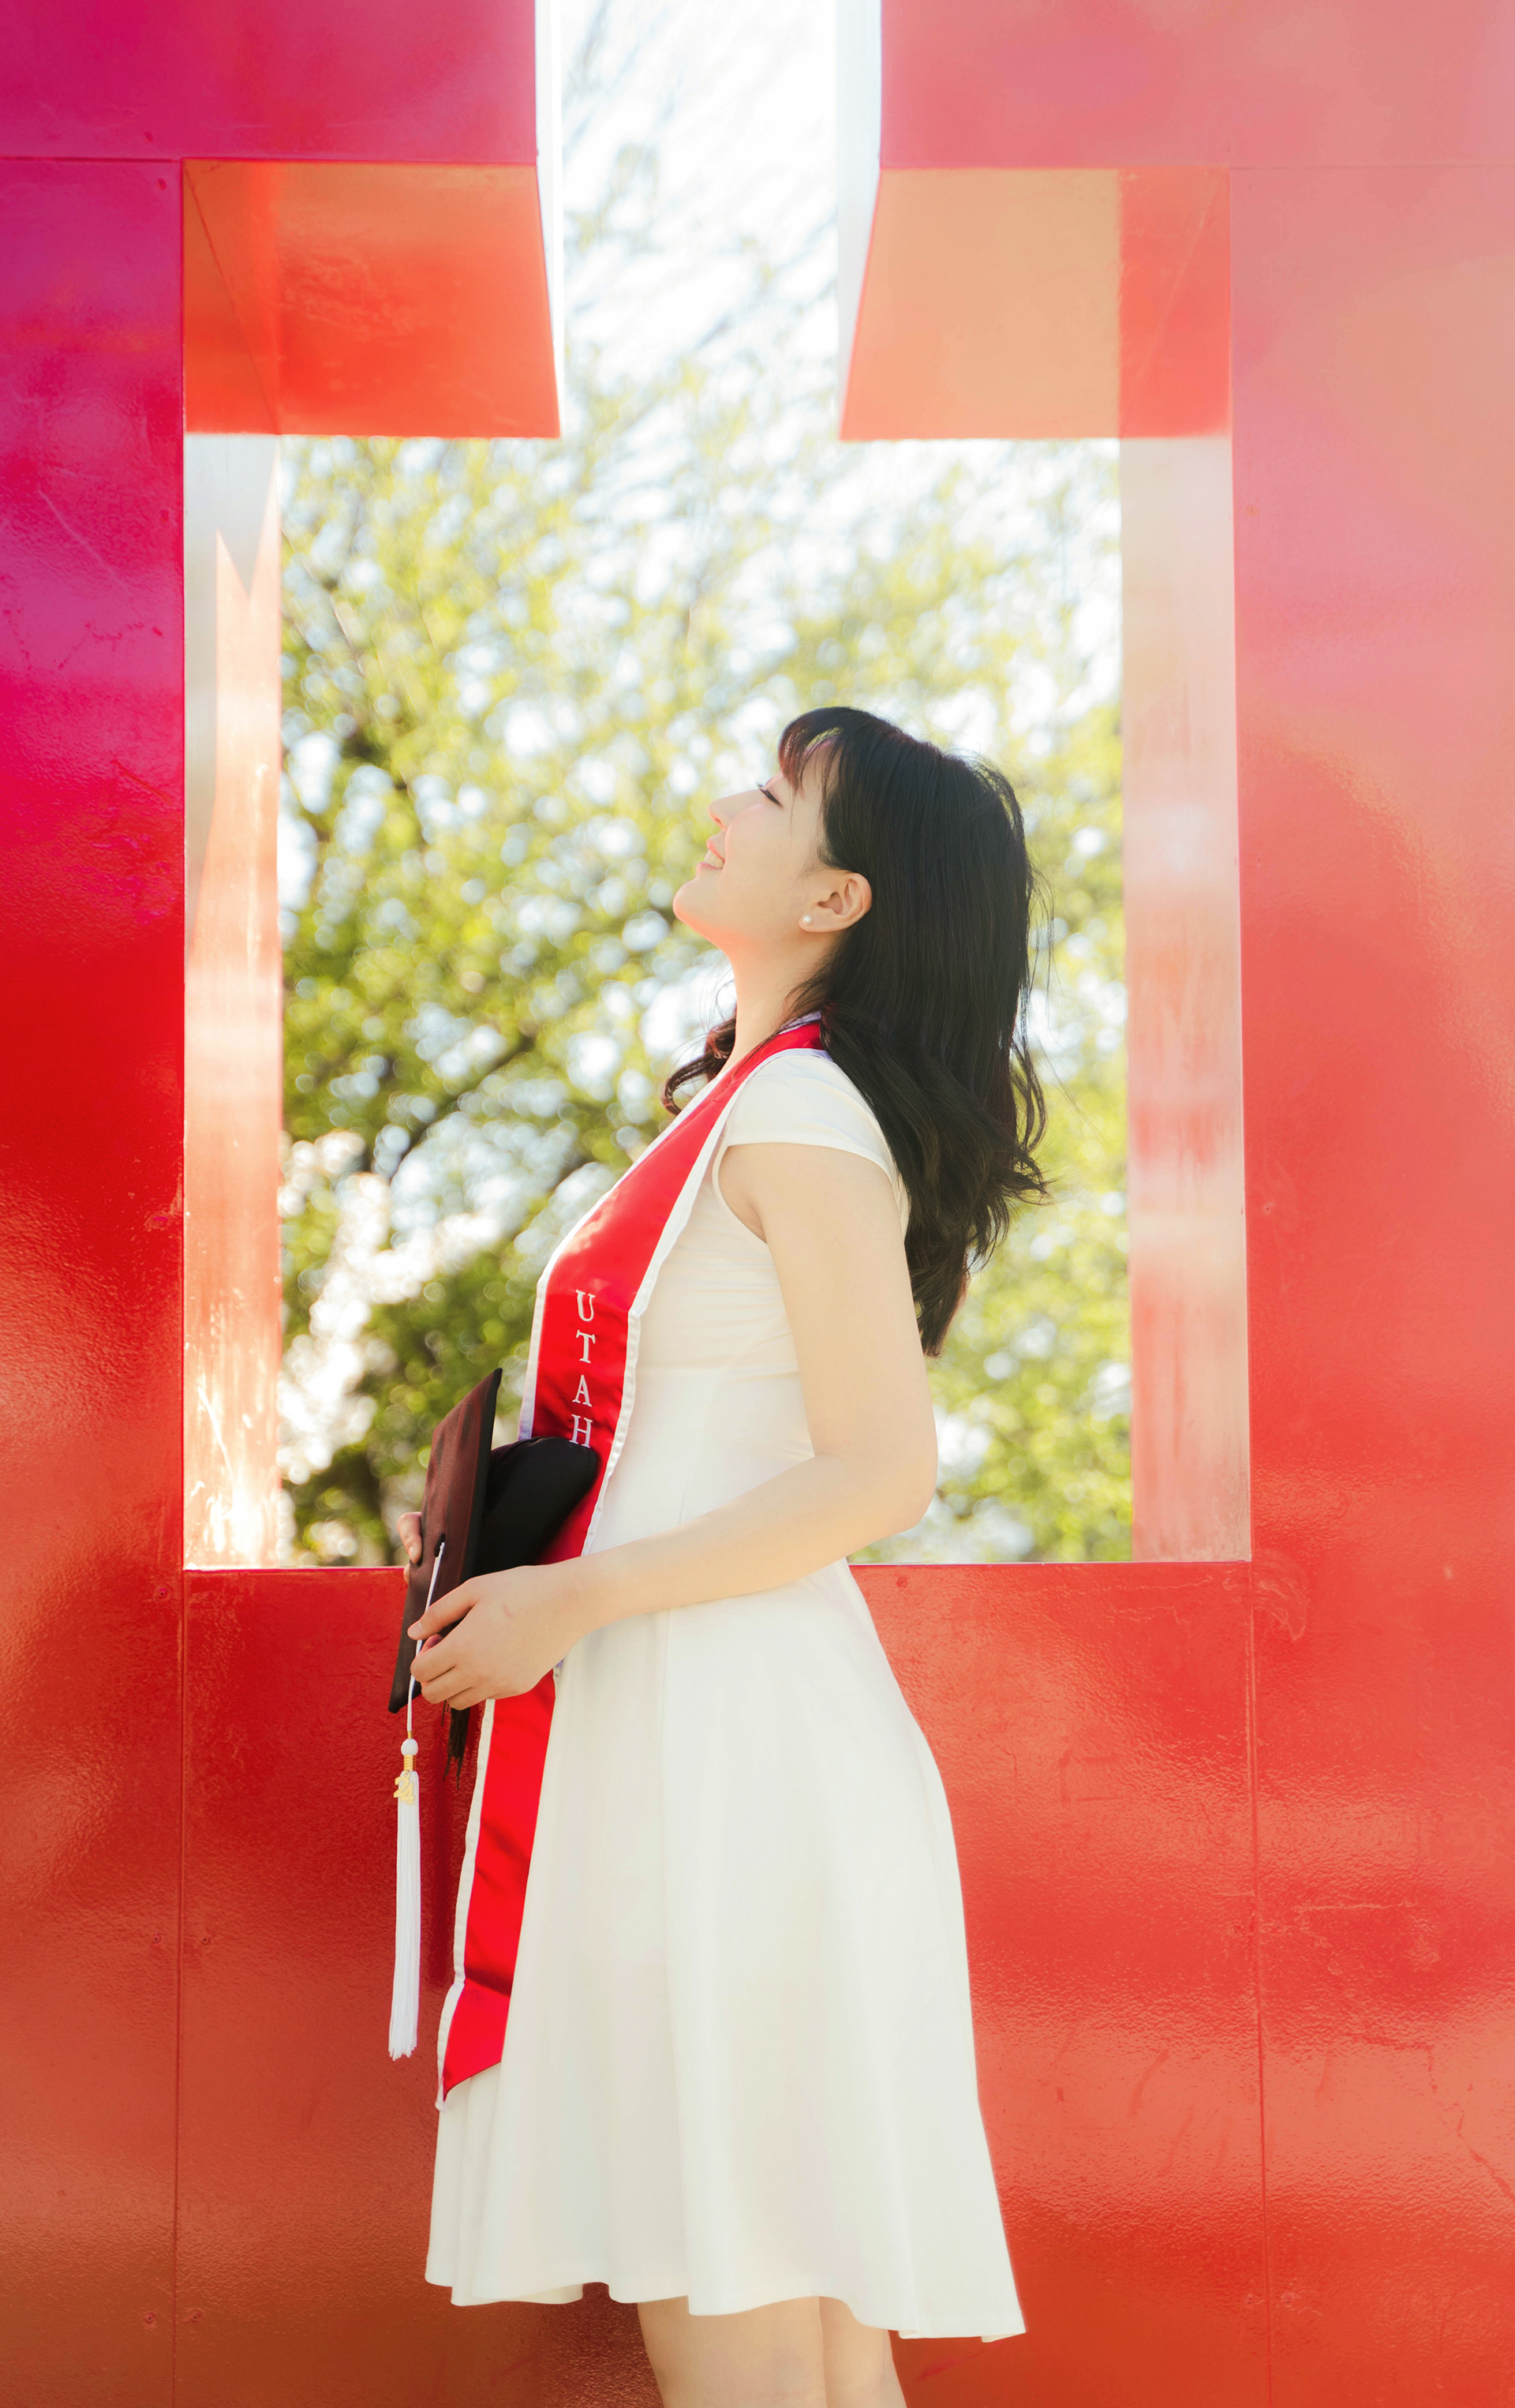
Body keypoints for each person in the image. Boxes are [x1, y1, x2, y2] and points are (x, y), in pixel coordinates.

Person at [400, 705, 1046, 2408]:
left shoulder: (802, 1117)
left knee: (739, 2301)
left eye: (768, 795)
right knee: (791, 2318)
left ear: (836, 898)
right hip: (702, 1724)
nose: (721, 807)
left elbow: (884, 1465)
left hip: (728, 1742)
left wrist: (576, 1592)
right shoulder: (763, 1108)